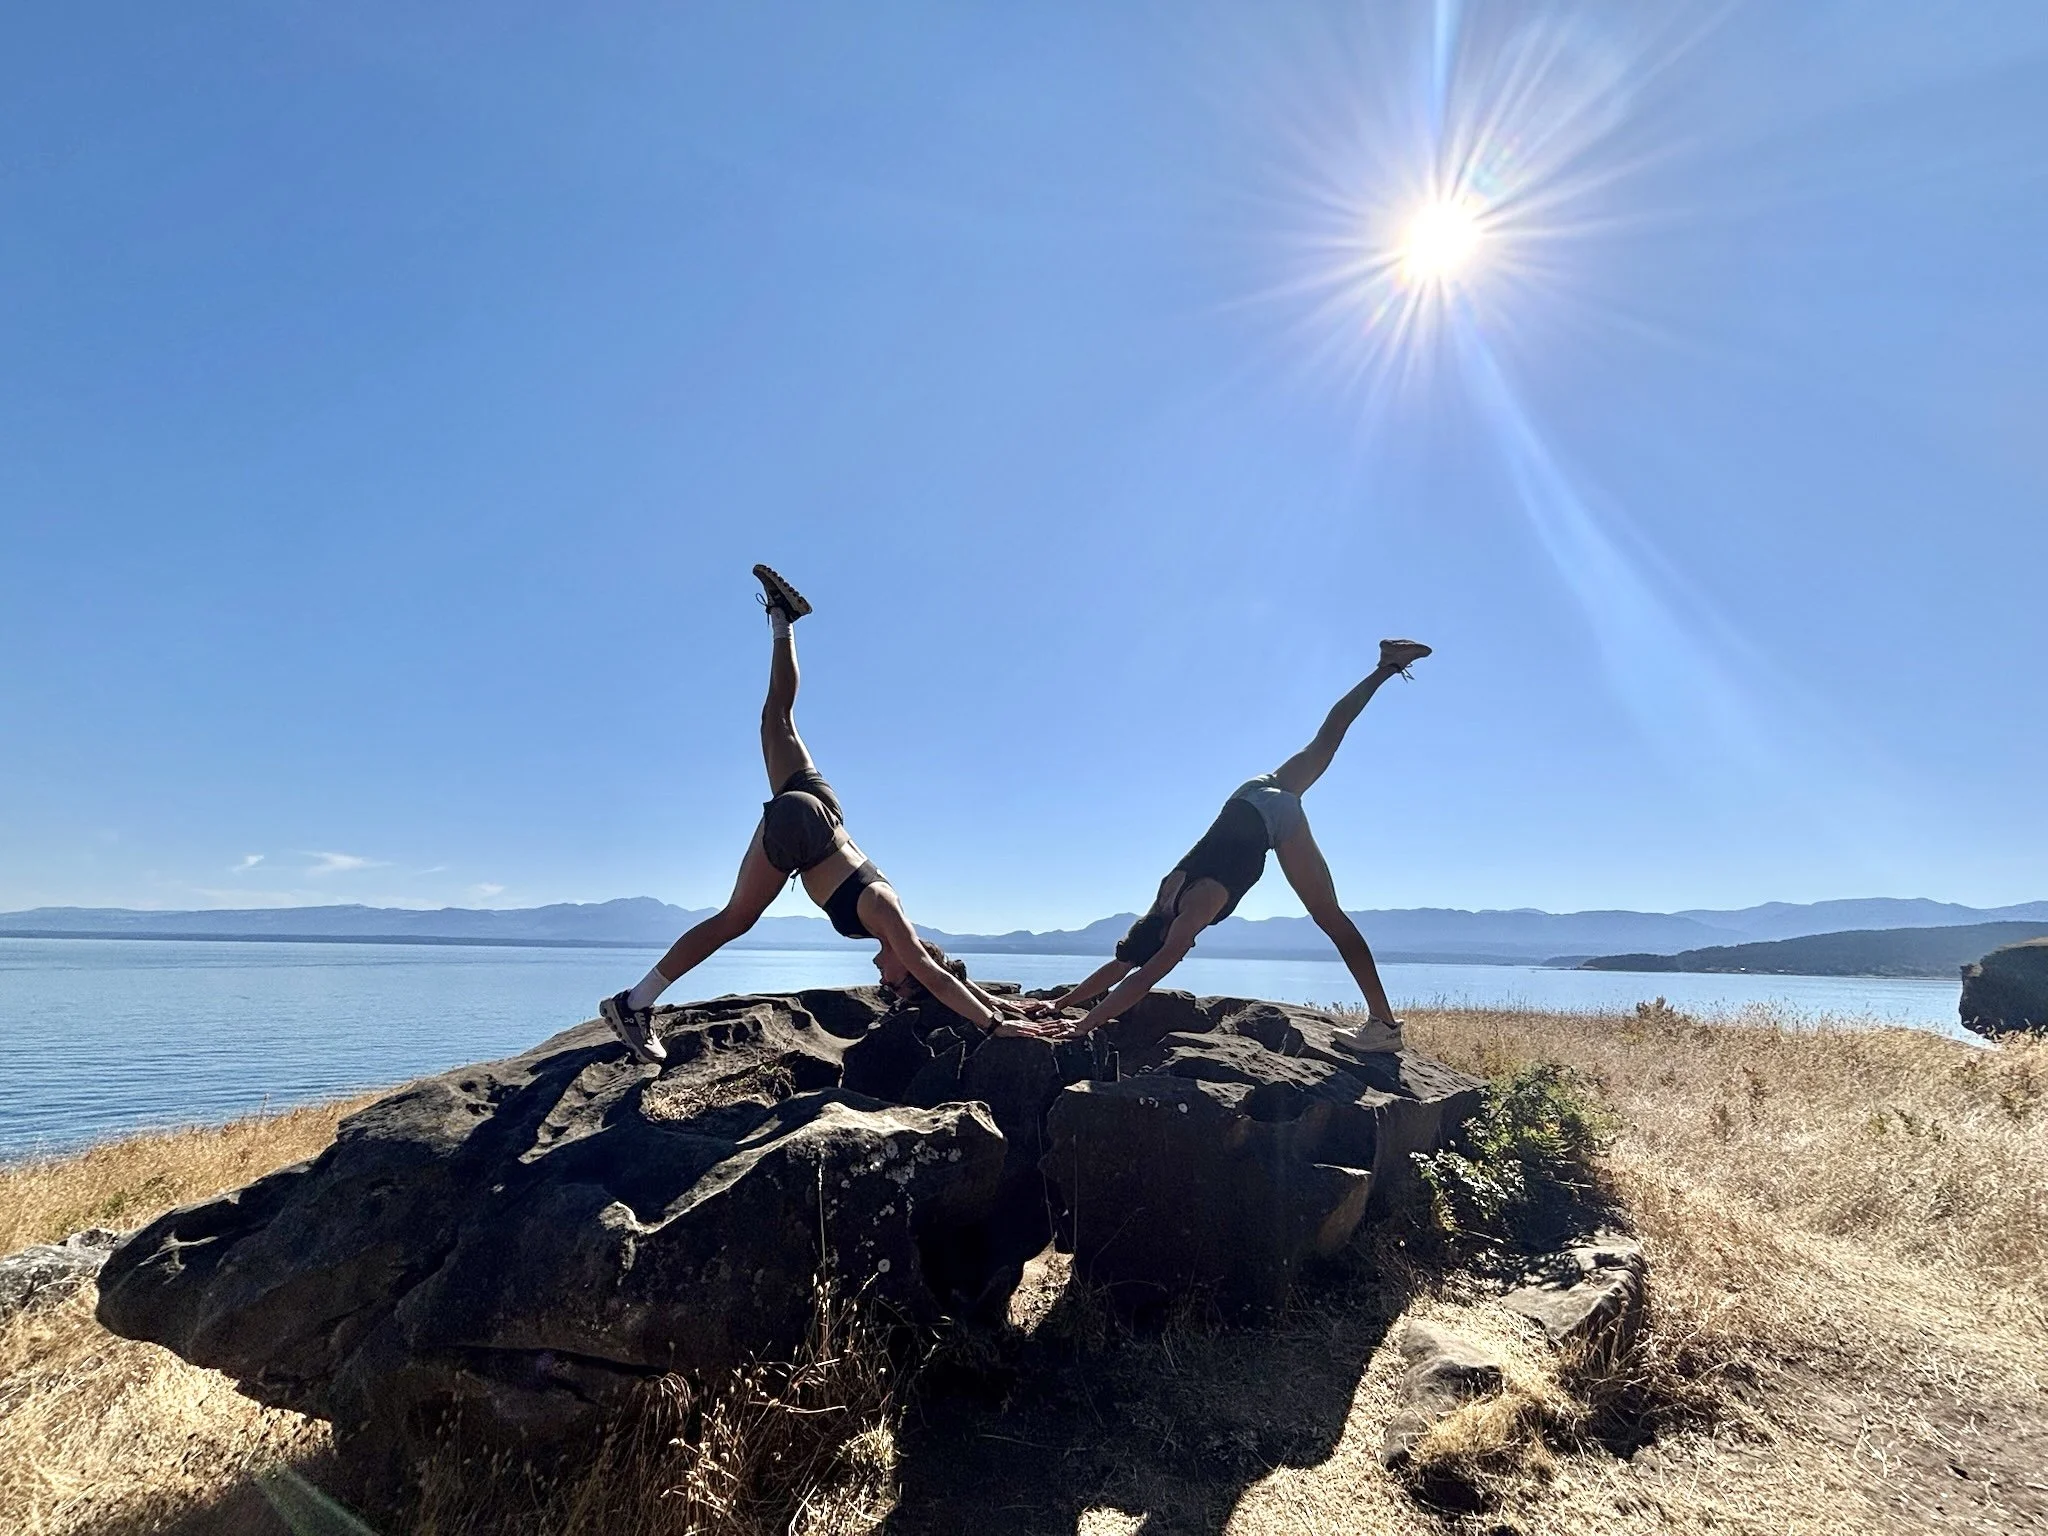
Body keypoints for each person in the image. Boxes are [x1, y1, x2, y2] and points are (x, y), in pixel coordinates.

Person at [599, 566, 1051, 1063]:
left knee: (778, 715)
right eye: (900, 984)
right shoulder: (887, 917)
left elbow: (942, 971)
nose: (886, 982)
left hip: (824, 814)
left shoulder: (894, 918)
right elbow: (933, 972)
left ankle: (782, 619)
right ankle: (633, 1004)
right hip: (804, 829)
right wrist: (993, 1025)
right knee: (735, 920)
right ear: (912, 967)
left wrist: (1005, 1005)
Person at [1046, 639, 1432, 1051]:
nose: (1185, 947)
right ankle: (1386, 665)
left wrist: (1083, 1024)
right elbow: (1123, 963)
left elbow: (1141, 975)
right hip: (1250, 793)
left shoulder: (1189, 915)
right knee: (1328, 737)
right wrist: (1061, 1003)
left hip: (1276, 818)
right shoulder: (1164, 896)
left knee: (1330, 917)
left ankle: (1384, 1026)